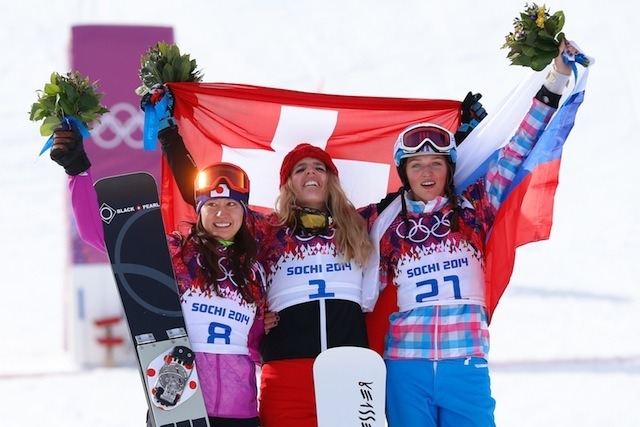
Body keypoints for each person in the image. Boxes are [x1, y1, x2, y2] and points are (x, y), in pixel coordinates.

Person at [358, 40, 578, 427]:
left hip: (466, 362)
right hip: (405, 367)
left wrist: (556, 79)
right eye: (417, 165)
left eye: (436, 164)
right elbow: (325, 233)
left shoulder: (476, 205)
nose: (427, 173)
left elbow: (518, 149)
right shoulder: (384, 220)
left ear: (449, 168)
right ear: (404, 172)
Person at [49, 128, 267, 427]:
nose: (222, 213)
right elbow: (101, 235)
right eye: (212, 205)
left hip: (241, 414)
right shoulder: (175, 254)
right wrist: (78, 172)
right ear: (199, 211)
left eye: (231, 204)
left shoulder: (254, 272)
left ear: (244, 212)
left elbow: (257, 346)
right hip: (180, 408)